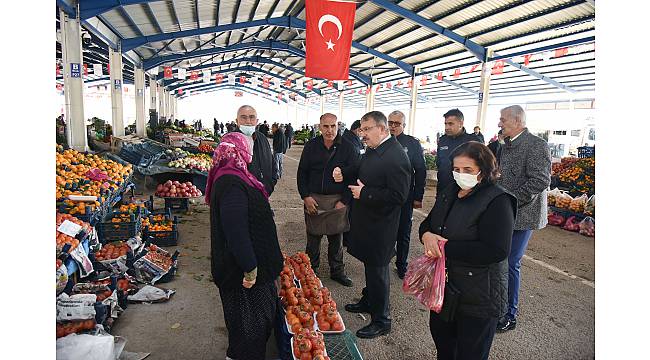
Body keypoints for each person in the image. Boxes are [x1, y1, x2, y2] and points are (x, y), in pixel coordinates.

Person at [419, 141, 517, 360]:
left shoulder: (497, 200)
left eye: (468, 170)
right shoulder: (450, 191)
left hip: (479, 295)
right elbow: (429, 223)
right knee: (444, 343)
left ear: (484, 170)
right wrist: (426, 235)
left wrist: (444, 247)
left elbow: (496, 250)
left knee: (470, 352)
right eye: (456, 169)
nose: (460, 174)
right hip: (446, 287)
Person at [205, 132, 284, 360]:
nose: (251, 153)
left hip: (245, 268)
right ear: (239, 152)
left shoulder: (234, 176)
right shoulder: (231, 183)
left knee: (248, 325)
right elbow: (236, 231)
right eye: (247, 149)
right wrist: (250, 269)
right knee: (250, 327)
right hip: (242, 273)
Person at [345, 111, 411, 339]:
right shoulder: (375, 149)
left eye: (367, 129)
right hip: (367, 220)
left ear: (382, 129)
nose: (362, 134)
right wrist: (343, 173)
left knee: (378, 269)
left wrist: (366, 193)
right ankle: (369, 299)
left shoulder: (396, 156)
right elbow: (361, 168)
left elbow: (399, 196)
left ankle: (383, 319)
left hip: (381, 224)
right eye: (361, 130)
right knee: (369, 264)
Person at [494, 105, 551, 333]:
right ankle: (498, 305)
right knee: (499, 260)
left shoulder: (537, 145)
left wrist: (511, 200)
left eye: (503, 119)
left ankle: (509, 314)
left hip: (523, 215)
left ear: (517, 121)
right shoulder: (505, 145)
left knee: (510, 263)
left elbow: (540, 180)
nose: (499, 123)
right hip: (504, 211)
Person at [297, 113, 358, 287]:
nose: (329, 130)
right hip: (314, 199)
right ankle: (310, 271)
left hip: (336, 200)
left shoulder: (348, 147)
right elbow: (302, 172)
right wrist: (305, 196)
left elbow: (354, 176)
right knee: (313, 238)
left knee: (336, 239)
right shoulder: (311, 146)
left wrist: (344, 201)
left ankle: (337, 271)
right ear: (319, 126)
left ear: (338, 125)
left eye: (333, 126)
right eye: (325, 126)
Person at [387, 110, 427, 279]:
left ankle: (401, 264)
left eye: (397, 123)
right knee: (386, 229)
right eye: (390, 123)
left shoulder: (412, 144)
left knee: (403, 232)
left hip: (405, 196)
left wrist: (418, 196)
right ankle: (385, 256)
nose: (393, 126)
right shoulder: (382, 141)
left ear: (404, 125)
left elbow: (421, 171)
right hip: (385, 196)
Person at [234, 105, 277, 196]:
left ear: (257, 121)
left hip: (263, 195)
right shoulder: (228, 141)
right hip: (239, 199)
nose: (248, 121)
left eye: (252, 117)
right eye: (243, 117)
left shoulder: (262, 139)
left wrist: (269, 186)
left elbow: (272, 164)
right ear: (237, 121)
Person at [436, 109, 479, 195]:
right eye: (445, 124)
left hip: (464, 190)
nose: (446, 127)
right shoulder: (443, 140)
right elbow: (439, 161)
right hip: (443, 187)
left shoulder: (473, 141)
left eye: (450, 124)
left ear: (461, 123)